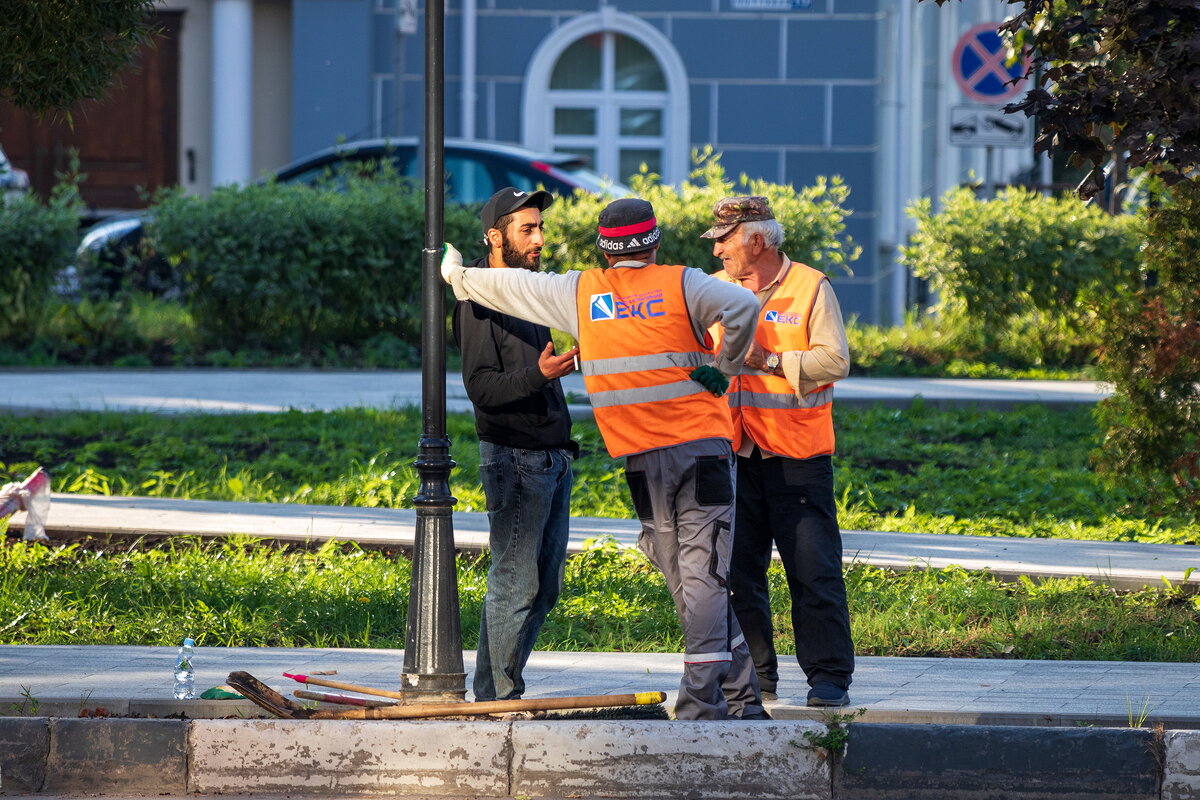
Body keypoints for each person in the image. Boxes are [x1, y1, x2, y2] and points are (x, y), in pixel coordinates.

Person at [442, 197, 768, 721]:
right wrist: (725, 367)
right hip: (700, 452)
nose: (541, 238)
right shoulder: (682, 283)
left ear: (604, 248)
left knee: (693, 578)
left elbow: (507, 286)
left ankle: (704, 704)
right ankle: (740, 697)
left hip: (647, 460)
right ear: (655, 243)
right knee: (696, 576)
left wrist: (458, 276)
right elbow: (745, 308)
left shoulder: (581, 291)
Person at [700, 195, 855, 708]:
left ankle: (829, 677)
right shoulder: (715, 290)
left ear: (756, 241)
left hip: (797, 456)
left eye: (724, 241)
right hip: (735, 452)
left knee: (813, 571)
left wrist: (771, 360)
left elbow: (834, 360)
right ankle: (756, 677)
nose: (718, 250)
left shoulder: (810, 286)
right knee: (738, 574)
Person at [452, 186, 580, 703]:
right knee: (515, 581)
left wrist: (553, 370)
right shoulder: (479, 296)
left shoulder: (526, 289)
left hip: (552, 455)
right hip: (514, 458)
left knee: (542, 587)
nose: (539, 239)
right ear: (494, 235)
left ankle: (492, 689)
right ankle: (500, 697)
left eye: (540, 228)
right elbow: (480, 387)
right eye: (527, 228)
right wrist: (538, 374)